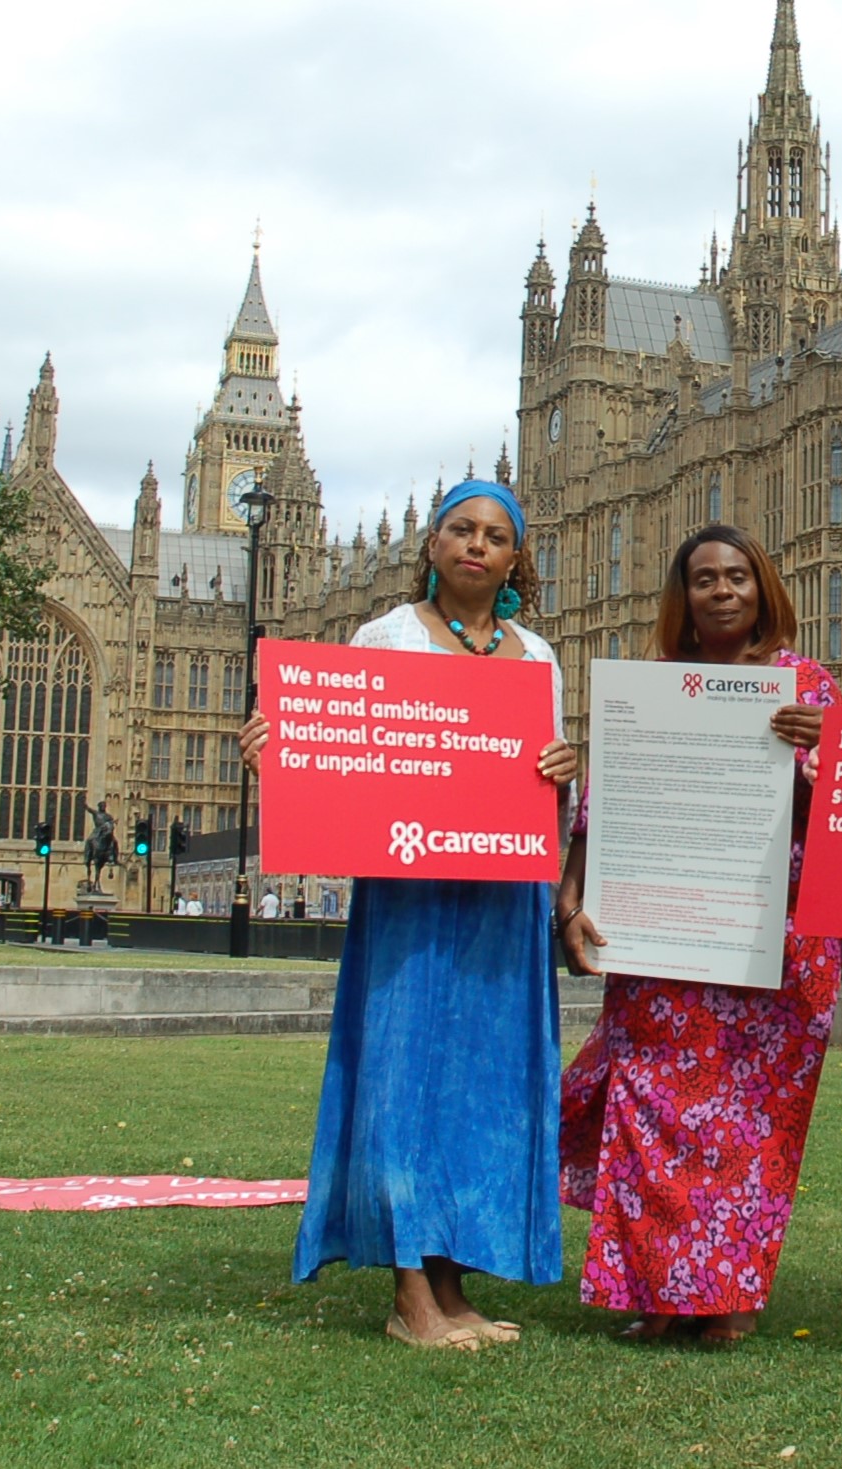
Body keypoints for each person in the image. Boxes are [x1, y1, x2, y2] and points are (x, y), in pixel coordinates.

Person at [240, 479, 577, 1352]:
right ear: (430, 546)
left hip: (504, 900)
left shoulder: (537, 655)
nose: (476, 545)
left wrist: (563, 767)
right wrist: (277, 756)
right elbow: (341, 759)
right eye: (459, 529)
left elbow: (548, 794)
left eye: (495, 535)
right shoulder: (382, 637)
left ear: (515, 558)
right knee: (402, 1071)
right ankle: (409, 1294)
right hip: (411, 894)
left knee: (482, 1084)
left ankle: (454, 1282)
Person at [557, 526, 842, 1345]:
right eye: (705, 579)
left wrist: (818, 763)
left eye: (737, 577)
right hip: (666, 932)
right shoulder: (650, 688)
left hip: (773, 933)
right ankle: (663, 1291)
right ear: (682, 597)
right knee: (655, 1109)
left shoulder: (807, 685)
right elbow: (600, 806)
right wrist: (571, 897)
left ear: (763, 588)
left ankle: (728, 1298)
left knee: (752, 1122)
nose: (722, 591)